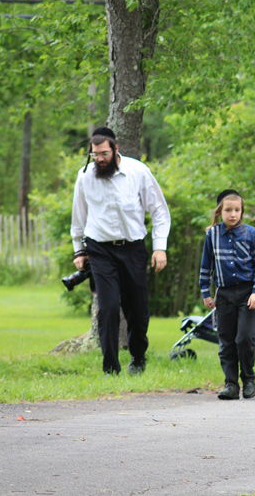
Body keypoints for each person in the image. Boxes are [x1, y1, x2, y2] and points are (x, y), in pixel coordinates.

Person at [70, 126, 170, 375]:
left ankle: (138, 357)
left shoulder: (138, 171)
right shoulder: (85, 176)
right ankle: (110, 366)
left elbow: (159, 211)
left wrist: (160, 248)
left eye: (104, 154)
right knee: (108, 307)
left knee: (137, 309)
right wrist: (78, 251)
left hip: (133, 248)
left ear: (116, 149)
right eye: (95, 155)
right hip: (100, 249)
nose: (100, 159)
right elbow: (78, 215)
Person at [199, 189, 255, 400]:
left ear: (241, 211)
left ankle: (248, 378)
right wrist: (205, 292)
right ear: (220, 212)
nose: (233, 214)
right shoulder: (212, 234)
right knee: (226, 339)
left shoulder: (251, 234)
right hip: (224, 294)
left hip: (248, 294)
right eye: (228, 210)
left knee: (244, 338)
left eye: (237, 210)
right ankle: (230, 384)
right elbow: (206, 265)